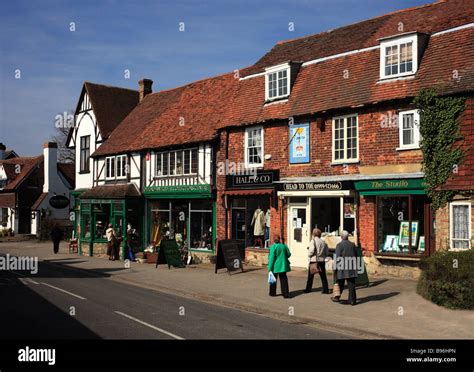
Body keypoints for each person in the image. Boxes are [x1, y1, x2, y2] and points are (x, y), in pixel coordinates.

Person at [333, 230, 358, 305]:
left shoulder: (339, 245)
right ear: (348, 237)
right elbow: (356, 255)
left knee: (340, 282)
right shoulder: (353, 244)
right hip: (351, 266)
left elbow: (337, 258)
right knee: (351, 284)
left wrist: (335, 268)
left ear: (341, 237)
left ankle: (337, 297)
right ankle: (352, 300)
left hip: (342, 267)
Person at [304, 228, 329, 294]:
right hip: (322, 260)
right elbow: (327, 252)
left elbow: (311, 251)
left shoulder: (313, 241)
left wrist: (309, 255)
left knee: (310, 276)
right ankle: (326, 289)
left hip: (314, 260)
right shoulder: (323, 242)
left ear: (313, 234)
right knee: (323, 276)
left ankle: (308, 289)